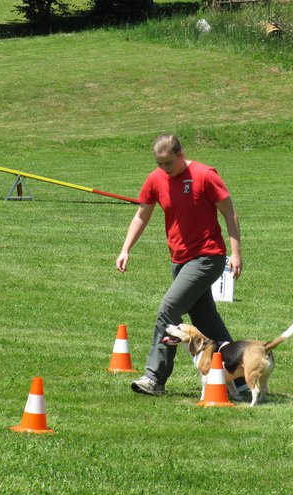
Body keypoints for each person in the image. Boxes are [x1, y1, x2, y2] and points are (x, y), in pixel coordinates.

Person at [116, 134, 243, 396]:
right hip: (179, 260)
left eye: (169, 163)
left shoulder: (205, 175)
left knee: (169, 308)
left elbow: (229, 211)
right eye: (160, 163)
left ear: (181, 153)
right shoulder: (155, 179)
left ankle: (154, 378)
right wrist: (125, 248)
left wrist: (236, 252)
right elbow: (142, 215)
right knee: (206, 321)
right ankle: (239, 375)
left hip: (208, 257)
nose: (165, 169)